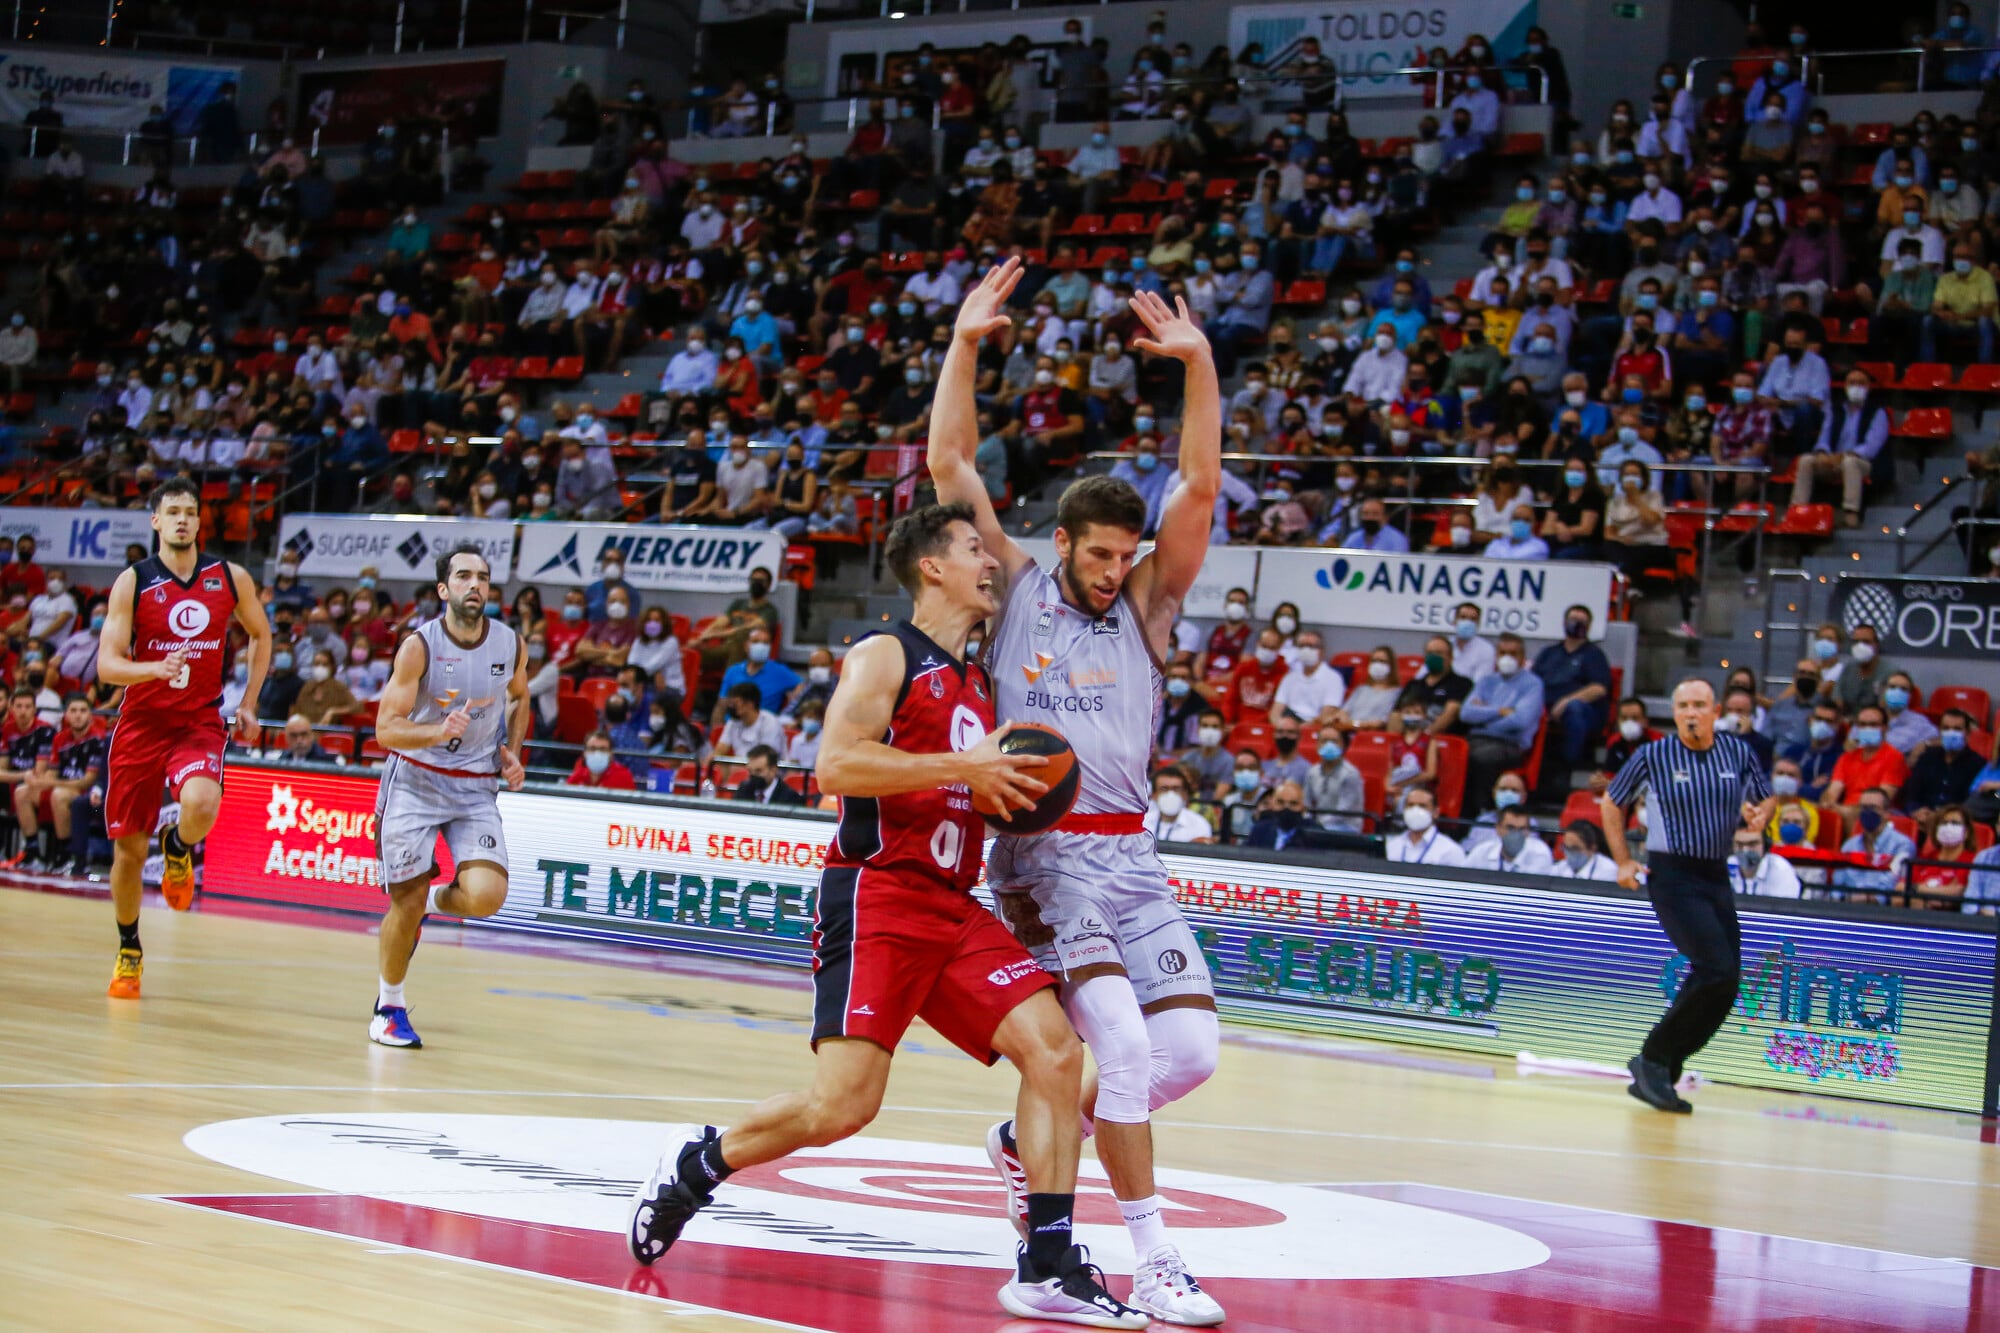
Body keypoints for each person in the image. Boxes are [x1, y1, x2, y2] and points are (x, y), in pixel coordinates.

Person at [627, 504, 1144, 1329]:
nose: (990, 562)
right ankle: (698, 1163)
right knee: (843, 1108)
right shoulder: (884, 654)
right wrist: (963, 766)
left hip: (953, 903)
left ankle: (1047, 1264)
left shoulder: (978, 682)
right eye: (975, 548)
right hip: (879, 896)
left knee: (1055, 1051)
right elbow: (835, 763)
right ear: (931, 567)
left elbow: (979, 781)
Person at [928, 261, 1226, 1324]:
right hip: (1044, 861)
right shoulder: (1011, 593)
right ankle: (1153, 1260)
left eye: (1122, 553)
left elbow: (1196, 489)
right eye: (1097, 554)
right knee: (1128, 1048)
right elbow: (950, 462)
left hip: (1132, 854)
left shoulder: (1143, 606)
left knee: (1189, 1050)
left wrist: (1197, 367)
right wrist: (965, 342)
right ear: (1062, 543)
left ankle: (1028, 1140)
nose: (1113, 568)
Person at [94, 478, 271, 999]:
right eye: (172, 512)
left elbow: (260, 634)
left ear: (200, 521)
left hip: (197, 722)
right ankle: (129, 949)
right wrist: (151, 668)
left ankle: (178, 846)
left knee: (201, 801)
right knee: (127, 850)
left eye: (190, 512)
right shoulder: (133, 581)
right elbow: (107, 665)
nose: (182, 520)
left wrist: (250, 702)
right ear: (155, 521)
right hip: (141, 725)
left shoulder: (229, 577)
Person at [367, 545, 528, 1049]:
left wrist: (513, 750)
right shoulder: (419, 647)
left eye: (482, 576)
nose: (475, 584)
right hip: (415, 781)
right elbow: (385, 731)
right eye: (463, 576)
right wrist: (437, 732)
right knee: (403, 902)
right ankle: (388, 1007)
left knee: (486, 896)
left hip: (475, 785)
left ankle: (433, 902)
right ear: (444, 590)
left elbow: (520, 696)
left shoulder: (509, 642)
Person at [1602, 678, 1774, 1113]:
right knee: (1714, 967)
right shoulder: (1653, 754)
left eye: (1700, 704)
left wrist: (1758, 816)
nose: (1691, 713)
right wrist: (1624, 860)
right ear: (1674, 713)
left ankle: (1665, 1066)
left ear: (1716, 710)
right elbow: (1611, 802)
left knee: (1727, 980)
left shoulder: (1737, 751)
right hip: (1673, 874)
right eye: (1683, 706)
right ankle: (1653, 1058)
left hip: (1715, 873)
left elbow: (1766, 799)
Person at [13, 693, 104, 875]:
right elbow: (52, 773)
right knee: (22, 791)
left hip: (89, 793)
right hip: (64, 787)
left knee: (59, 794)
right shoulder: (60, 738)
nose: (78, 715)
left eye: (83, 711)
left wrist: (50, 782)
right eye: (73, 711)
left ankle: (66, 854)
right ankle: (32, 852)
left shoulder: (98, 739)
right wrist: (37, 780)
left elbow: (88, 780)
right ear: (66, 715)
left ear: (90, 715)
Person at [1533, 605, 1613, 799]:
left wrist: (1567, 701)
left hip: (1583, 712)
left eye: (1581, 621)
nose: (1576, 624)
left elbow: (1600, 688)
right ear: (1563, 622)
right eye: (1572, 619)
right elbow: (1532, 682)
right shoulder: (1549, 653)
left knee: (1574, 709)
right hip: (1545, 707)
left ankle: (1568, 767)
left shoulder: (1593, 655)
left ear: (1589, 626)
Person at [1459, 634, 1545, 815]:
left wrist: (1483, 719)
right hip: (1476, 739)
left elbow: (1520, 720)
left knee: (1478, 758)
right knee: (1451, 755)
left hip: (1509, 744)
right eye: (1503, 653)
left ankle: (1485, 810)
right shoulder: (1486, 681)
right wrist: (1499, 711)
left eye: (1513, 653)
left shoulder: (1532, 684)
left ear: (1522, 658)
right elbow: (1466, 713)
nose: (1507, 658)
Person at [1386, 786, 1466, 866]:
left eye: (1422, 806)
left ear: (1436, 812)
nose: (1415, 810)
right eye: (1410, 805)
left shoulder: (1450, 851)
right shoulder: (1391, 846)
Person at [1466, 805, 1554, 875]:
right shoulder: (1481, 852)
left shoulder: (1540, 855)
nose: (1516, 833)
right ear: (1498, 828)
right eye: (1510, 828)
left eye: (1521, 829)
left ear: (1528, 831)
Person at [1145, 766, 1213, 844]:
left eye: (1176, 789)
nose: (1170, 794)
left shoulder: (1199, 824)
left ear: (1185, 794)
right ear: (1154, 795)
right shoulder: (1143, 823)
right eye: (1164, 789)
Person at [1727, 826, 1801, 898]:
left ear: (1765, 845)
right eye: (1739, 844)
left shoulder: (1781, 869)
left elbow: (1785, 907)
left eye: (1752, 844)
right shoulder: (1726, 865)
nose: (1745, 850)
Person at [732, 743, 804, 806]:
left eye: (758, 771)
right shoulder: (743, 789)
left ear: (773, 770)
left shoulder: (790, 797)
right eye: (750, 771)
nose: (753, 775)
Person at [1550, 819, 1620, 880]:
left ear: (1592, 848)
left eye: (1575, 848)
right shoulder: (1560, 867)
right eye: (1566, 847)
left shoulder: (1608, 871)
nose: (1569, 852)